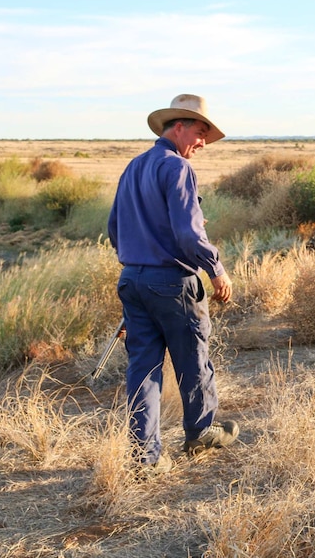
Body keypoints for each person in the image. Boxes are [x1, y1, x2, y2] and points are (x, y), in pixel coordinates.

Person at [107, 94, 239, 475]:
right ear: (178, 126)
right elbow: (187, 233)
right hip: (172, 282)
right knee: (192, 359)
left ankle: (144, 459)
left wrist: (138, 258)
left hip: (131, 280)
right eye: (200, 133)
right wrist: (216, 269)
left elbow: (114, 228)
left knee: (143, 370)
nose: (202, 143)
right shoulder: (177, 168)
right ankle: (200, 431)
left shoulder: (133, 167)